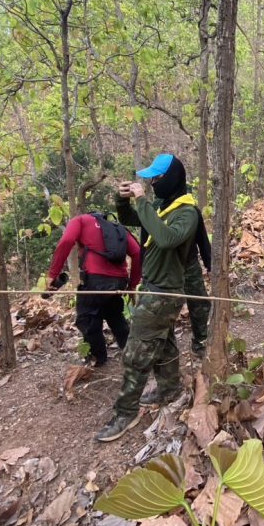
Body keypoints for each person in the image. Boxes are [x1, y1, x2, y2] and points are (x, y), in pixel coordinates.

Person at [96, 153, 199, 443]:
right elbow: (133, 219)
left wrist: (142, 200)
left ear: (171, 178)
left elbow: (166, 239)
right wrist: (122, 201)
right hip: (153, 287)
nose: (152, 183)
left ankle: (125, 413)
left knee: (135, 354)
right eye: (150, 179)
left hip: (164, 292)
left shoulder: (187, 212)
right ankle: (170, 390)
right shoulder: (162, 206)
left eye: (157, 178)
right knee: (163, 345)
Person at [46, 212, 141, 367]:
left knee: (88, 319)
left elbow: (67, 241)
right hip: (119, 282)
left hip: (95, 281)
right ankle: (132, 353)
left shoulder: (80, 220)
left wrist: (53, 274)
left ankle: (98, 359)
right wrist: (133, 284)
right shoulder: (118, 228)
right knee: (114, 315)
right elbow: (137, 252)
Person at [184, 210, 212, 356]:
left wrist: (210, 265)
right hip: (164, 267)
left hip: (190, 263)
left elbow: (202, 239)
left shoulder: (191, 210)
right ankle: (165, 350)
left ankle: (202, 343)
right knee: (164, 307)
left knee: (200, 304)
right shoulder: (156, 207)